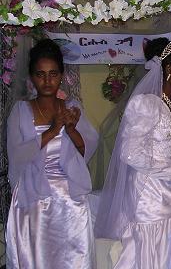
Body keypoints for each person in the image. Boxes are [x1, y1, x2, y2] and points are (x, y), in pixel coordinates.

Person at [94, 38, 171, 269]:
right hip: (148, 192)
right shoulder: (146, 104)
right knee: (156, 246)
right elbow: (131, 153)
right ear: (169, 70)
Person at [6, 39, 99, 269]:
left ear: (61, 74)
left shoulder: (71, 107)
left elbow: (84, 150)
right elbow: (17, 155)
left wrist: (70, 129)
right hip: (34, 197)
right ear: (31, 77)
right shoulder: (21, 110)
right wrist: (53, 130)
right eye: (40, 74)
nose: (47, 81)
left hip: (70, 196)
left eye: (53, 74)